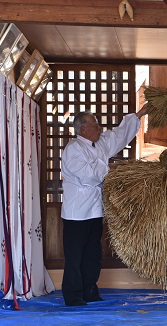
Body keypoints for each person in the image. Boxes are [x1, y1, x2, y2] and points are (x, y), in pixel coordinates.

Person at [60, 105, 148, 306]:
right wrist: (111, 171)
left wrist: (139, 115)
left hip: (94, 210)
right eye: (95, 124)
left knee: (93, 253)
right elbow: (87, 175)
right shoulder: (74, 148)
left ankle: (90, 290)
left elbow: (117, 136)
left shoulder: (98, 145)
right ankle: (73, 294)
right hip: (77, 212)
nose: (99, 128)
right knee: (75, 255)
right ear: (83, 129)